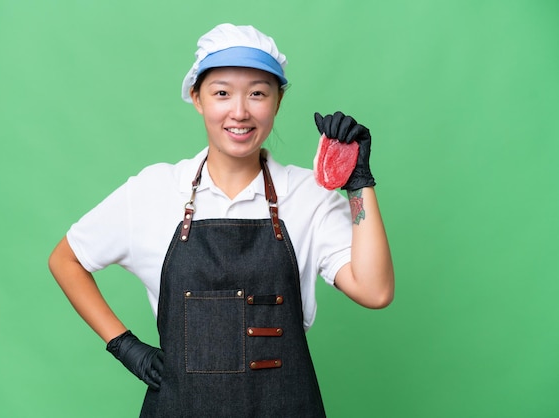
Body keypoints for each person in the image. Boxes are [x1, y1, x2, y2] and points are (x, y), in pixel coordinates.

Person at [48, 23, 394, 417]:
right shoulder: (155, 190)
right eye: (222, 93)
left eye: (258, 93)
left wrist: (359, 183)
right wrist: (124, 346)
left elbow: (375, 291)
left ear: (277, 101)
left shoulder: (308, 196)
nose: (240, 112)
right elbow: (66, 259)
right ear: (197, 98)